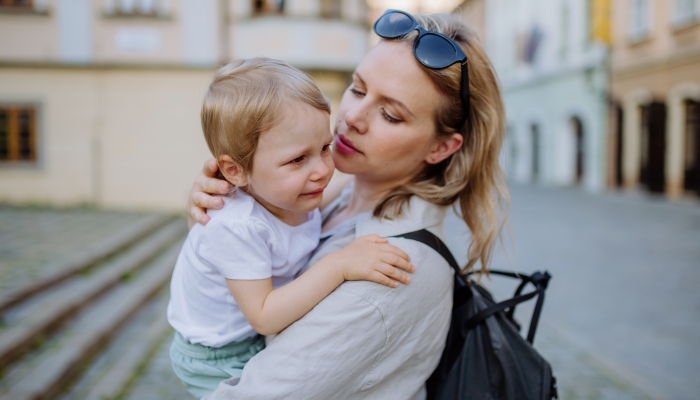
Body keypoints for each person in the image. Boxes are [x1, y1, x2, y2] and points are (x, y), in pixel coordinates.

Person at [186, 11, 508, 400]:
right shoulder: (331, 196)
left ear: (441, 148)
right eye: (357, 89)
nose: (352, 117)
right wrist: (226, 209)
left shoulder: (390, 270)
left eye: (390, 114)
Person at [167, 58, 415, 399]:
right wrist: (340, 265)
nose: (322, 171)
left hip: (249, 339)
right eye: (298, 159)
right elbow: (265, 317)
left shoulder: (293, 196)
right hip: (215, 357)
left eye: (325, 148)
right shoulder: (238, 226)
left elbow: (344, 190)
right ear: (235, 171)